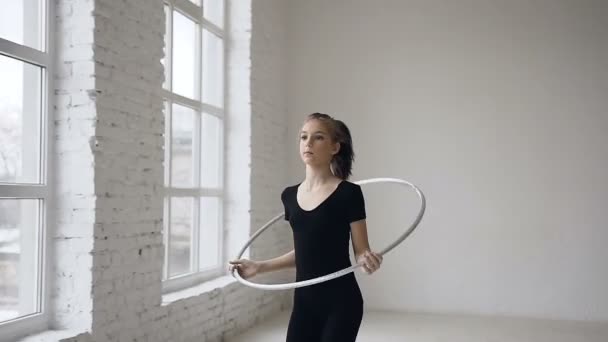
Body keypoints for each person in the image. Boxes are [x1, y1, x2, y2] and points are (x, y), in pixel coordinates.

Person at [228, 112, 383, 341]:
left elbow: (361, 251)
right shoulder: (289, 196)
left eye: (318, 137)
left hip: (341, 303)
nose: (308, 143)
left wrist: (366, 260)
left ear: (334, 147)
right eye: (303, 137)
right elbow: (305, 252)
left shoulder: (349, 194)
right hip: (304, 305)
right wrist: (259, 267)